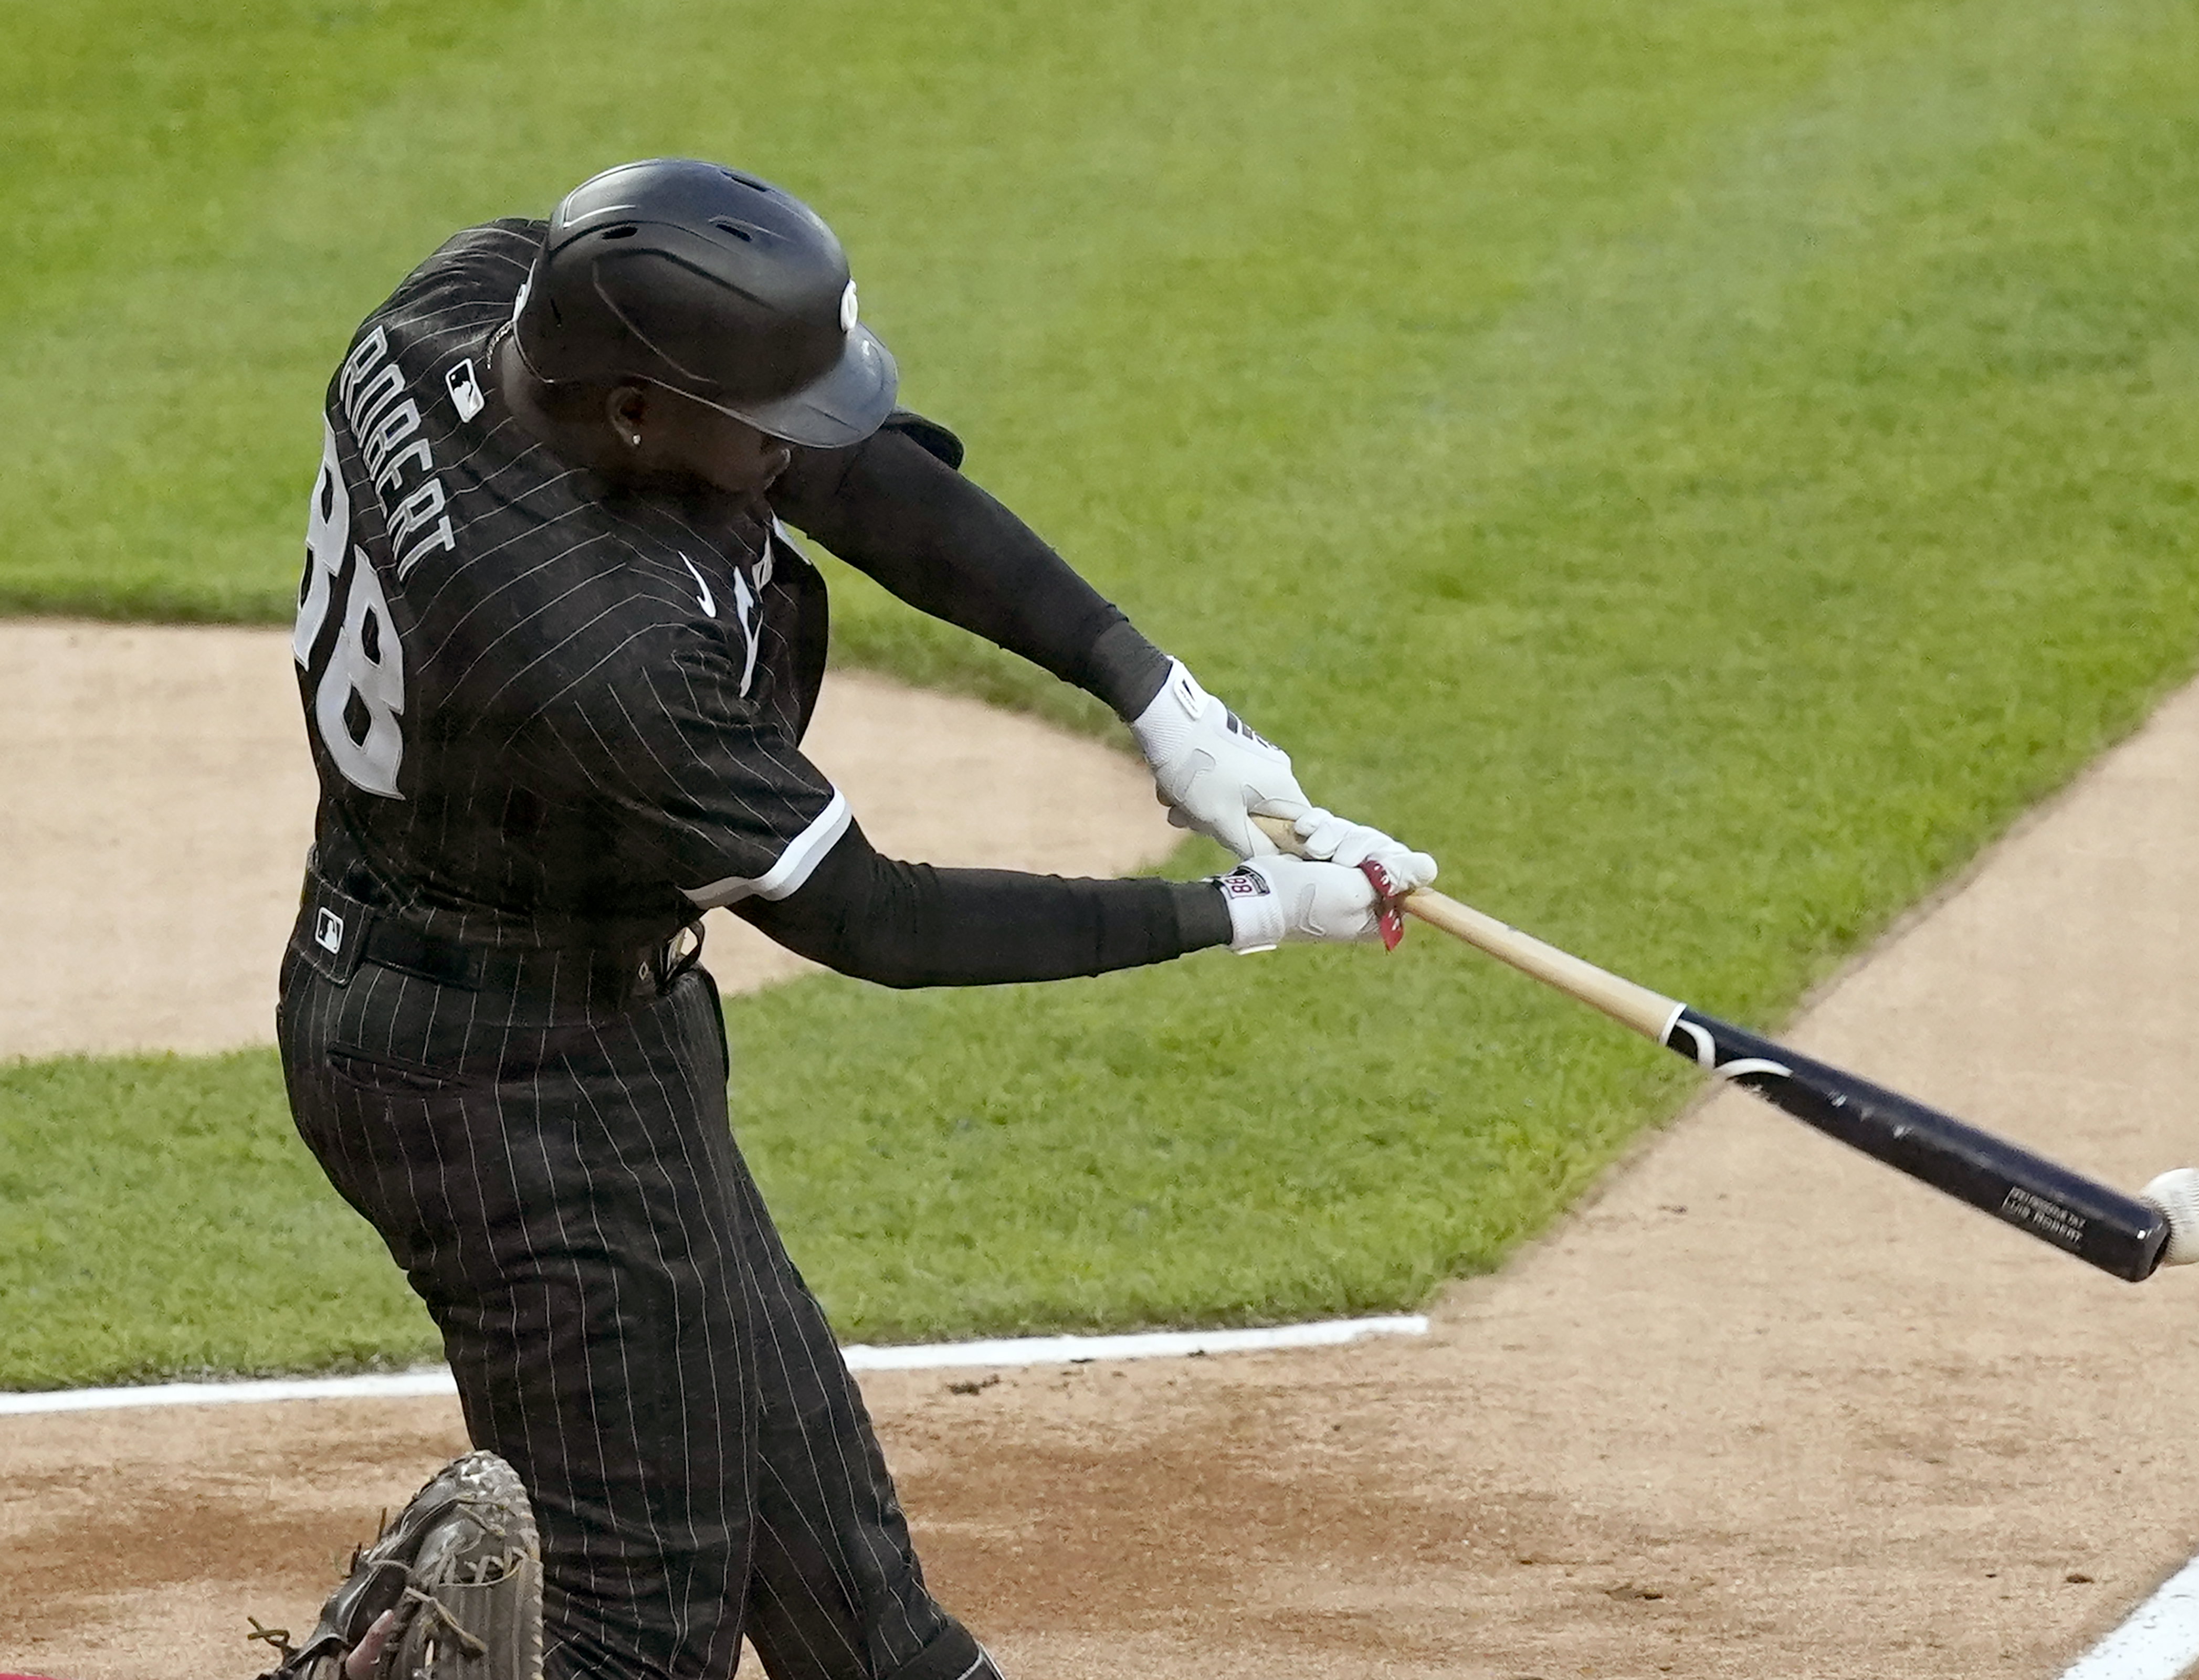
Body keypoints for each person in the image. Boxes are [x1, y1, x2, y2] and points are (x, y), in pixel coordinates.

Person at [275, 156, 1434, 1680]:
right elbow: (874, 917)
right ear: (635, 411)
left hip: (567, 1020)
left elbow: (829, 462)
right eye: (769, 417)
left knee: (854, 1604)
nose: (796, 443)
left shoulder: (484, 304)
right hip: (497, 1093)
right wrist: (1244, 913)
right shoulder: (595, 651)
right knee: (640, 1634)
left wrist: (1152, 690)